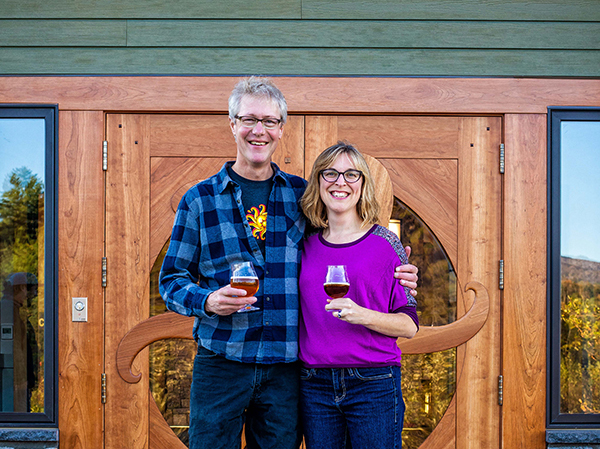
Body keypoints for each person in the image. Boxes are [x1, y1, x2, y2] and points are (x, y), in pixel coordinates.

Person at [159, 77, 419, 449]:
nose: (258, 131)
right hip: (222, 361)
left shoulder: (301, 196)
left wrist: (398, 268)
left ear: (281, 129)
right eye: (249, 119)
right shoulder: (199, 200)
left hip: (286, 369)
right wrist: (208, 301)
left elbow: (345, 240)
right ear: (232, 124)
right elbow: (171, 279)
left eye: (268, 121)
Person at [298, 142, 419, 449]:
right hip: (315, 386)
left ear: (363, 184)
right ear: (318, 182)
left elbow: (409, 326)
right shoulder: (302, 244)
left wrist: (361, 314)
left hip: (374, 384)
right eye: (331, 173)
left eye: (351, 174)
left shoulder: (387, 243)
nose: (340, 182)